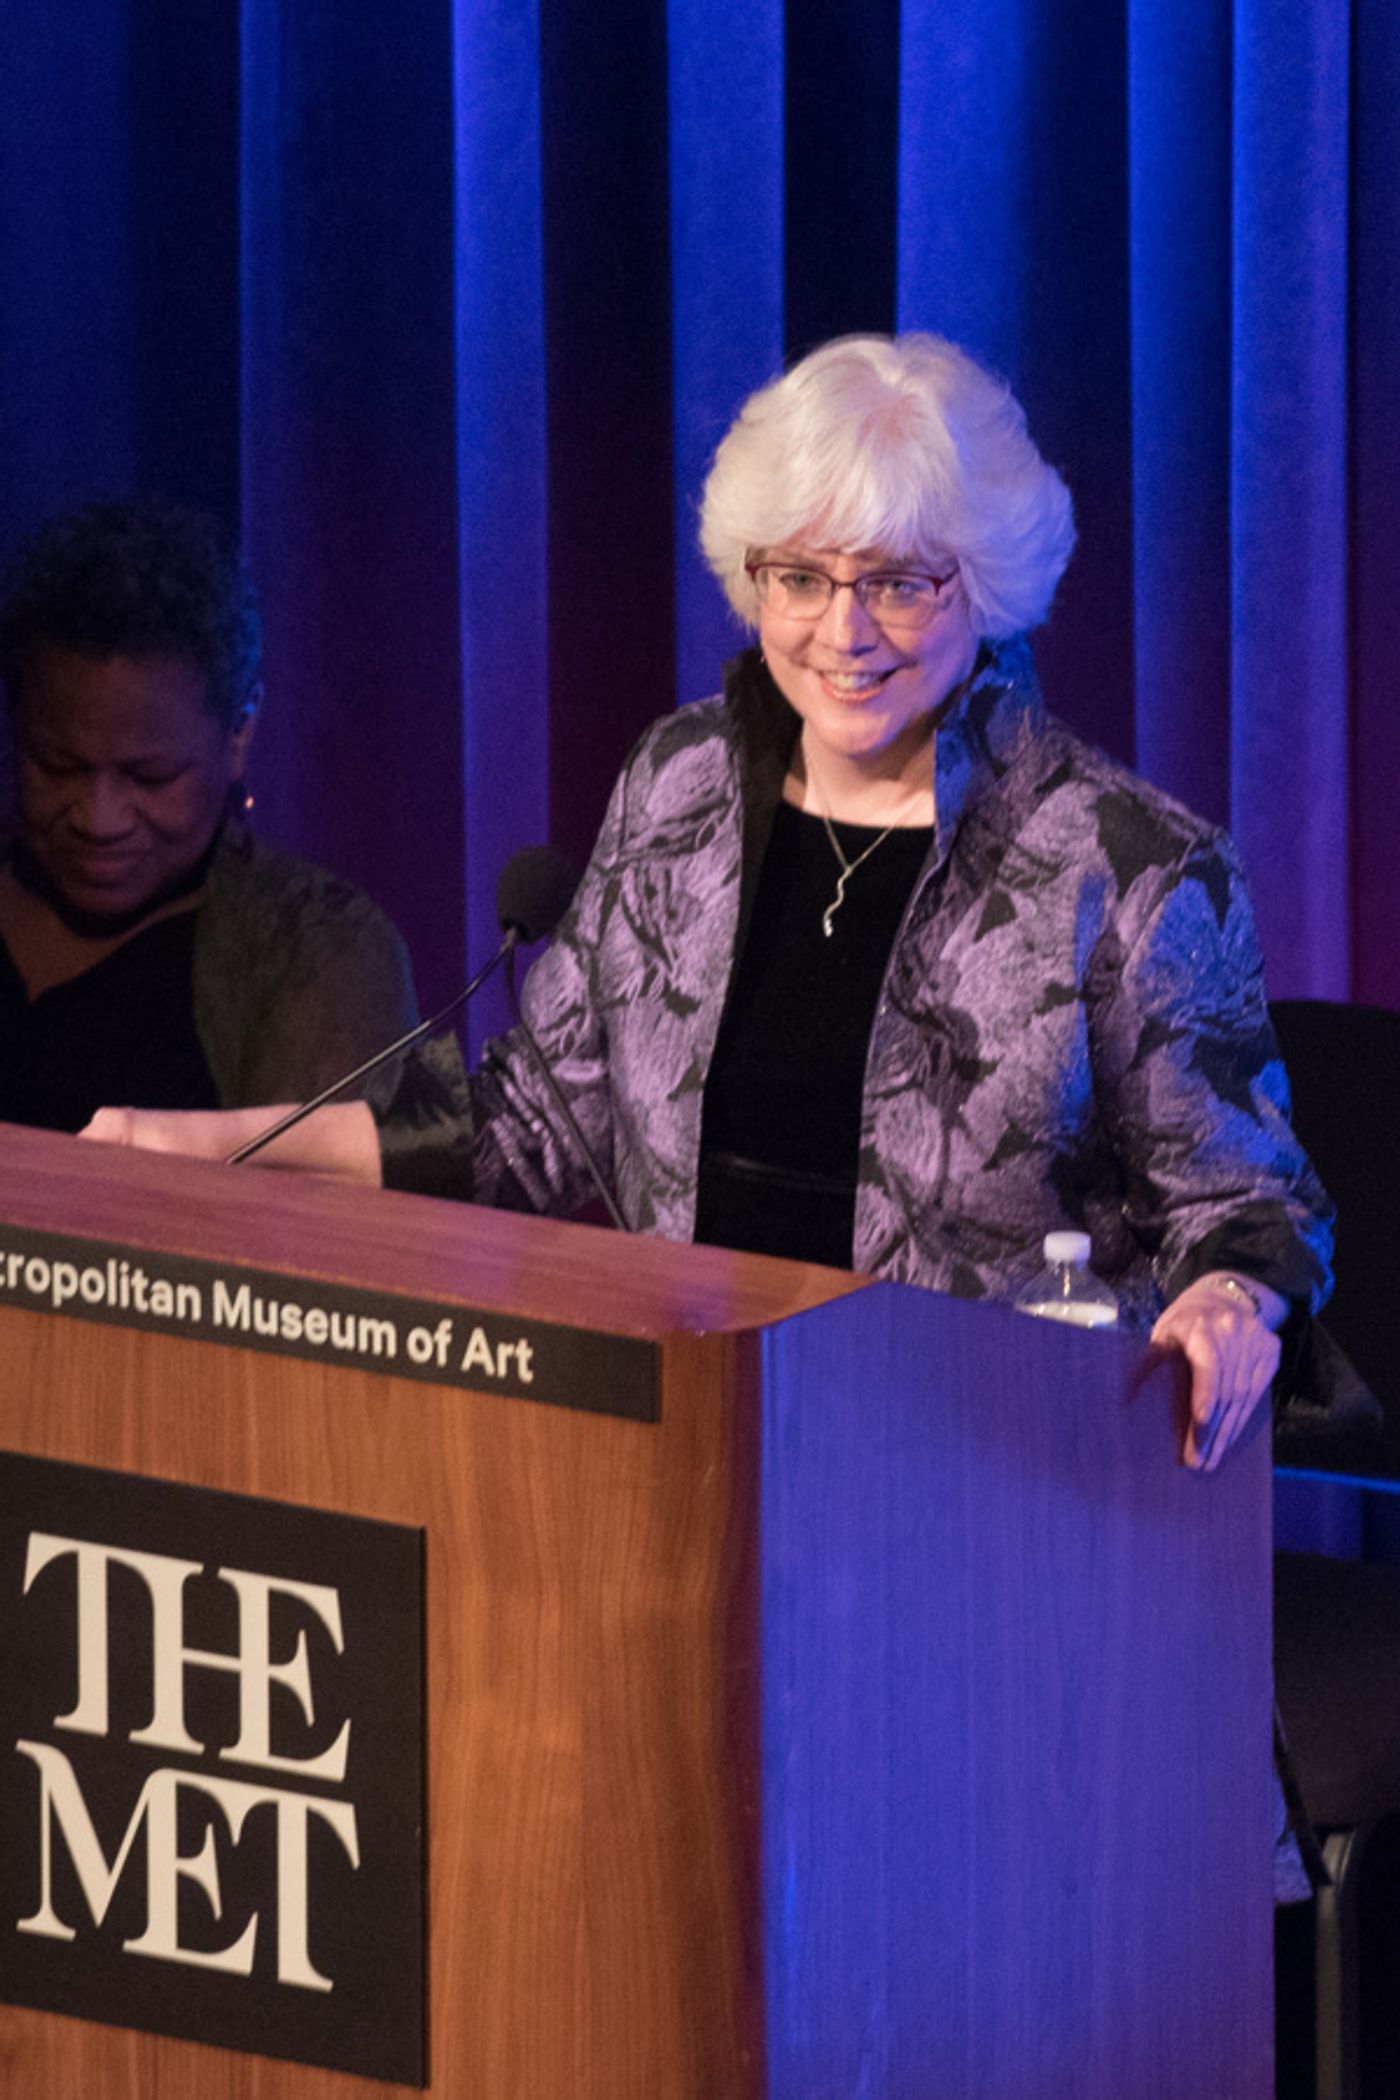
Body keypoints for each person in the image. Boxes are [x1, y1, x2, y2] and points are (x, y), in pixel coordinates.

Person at [85, 336, 1332, 1473]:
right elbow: (531, 1132)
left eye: (900, 583)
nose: (844, 630)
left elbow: (1249, 1209)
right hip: (694, 1461)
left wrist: (1230, 1301)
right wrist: (208, 1149)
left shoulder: (1129, 864)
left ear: (986, 585)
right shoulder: (679, 788)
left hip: (988, 1500)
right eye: (800, 577)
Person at [0, 497, 418, 1129]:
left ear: (239, 733)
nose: (98, 818)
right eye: (58, 766)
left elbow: (314, 1216)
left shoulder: (315, 949)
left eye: (149, 776)